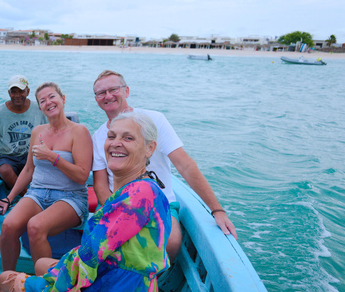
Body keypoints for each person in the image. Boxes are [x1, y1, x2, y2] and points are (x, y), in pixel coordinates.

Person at [0, 111, 170, 292]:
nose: (115, 143)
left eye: (128, 138)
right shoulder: (148, 188)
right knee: (40, 267)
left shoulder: (136, 196)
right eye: (111, 136)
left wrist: (44, 289)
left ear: (150, 148)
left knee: (6, 280)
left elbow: (88, 257)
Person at [90, 70, 237, 260]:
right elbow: (101, 184)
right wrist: (115, 211)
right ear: (96, 99)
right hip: (120, 201)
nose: (108, 96)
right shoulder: (99, 136)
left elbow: (185, 165)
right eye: (101, 93)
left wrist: (217, 210)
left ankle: (157, 280)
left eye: (113, 89)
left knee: (171, 241)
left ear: (126, 91)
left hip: (162, 201)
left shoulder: (155, 120)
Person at [0, 82, 92, 271]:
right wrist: (9, 198)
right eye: (42, 100)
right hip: (36, 193)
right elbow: (28, 170)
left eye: (52, 96)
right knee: (8, 226)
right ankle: (7, 282)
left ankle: (44, 287)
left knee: (35, 226)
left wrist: (52, 157)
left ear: (63, 99)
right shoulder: (37, 132)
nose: (48, 102)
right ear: (40, 106)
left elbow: (82, 177)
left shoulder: (79, 131)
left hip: (70, 197)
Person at [0, 74, 47, 190]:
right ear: (9, 93)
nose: (17, 95)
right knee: (5, 171)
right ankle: (26, 196)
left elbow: (48, 132)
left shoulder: (38, 109)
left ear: (28, 92)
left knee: (46, 167)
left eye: (21, 91)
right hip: (7, 156)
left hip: (31, 154)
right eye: (13, 92)